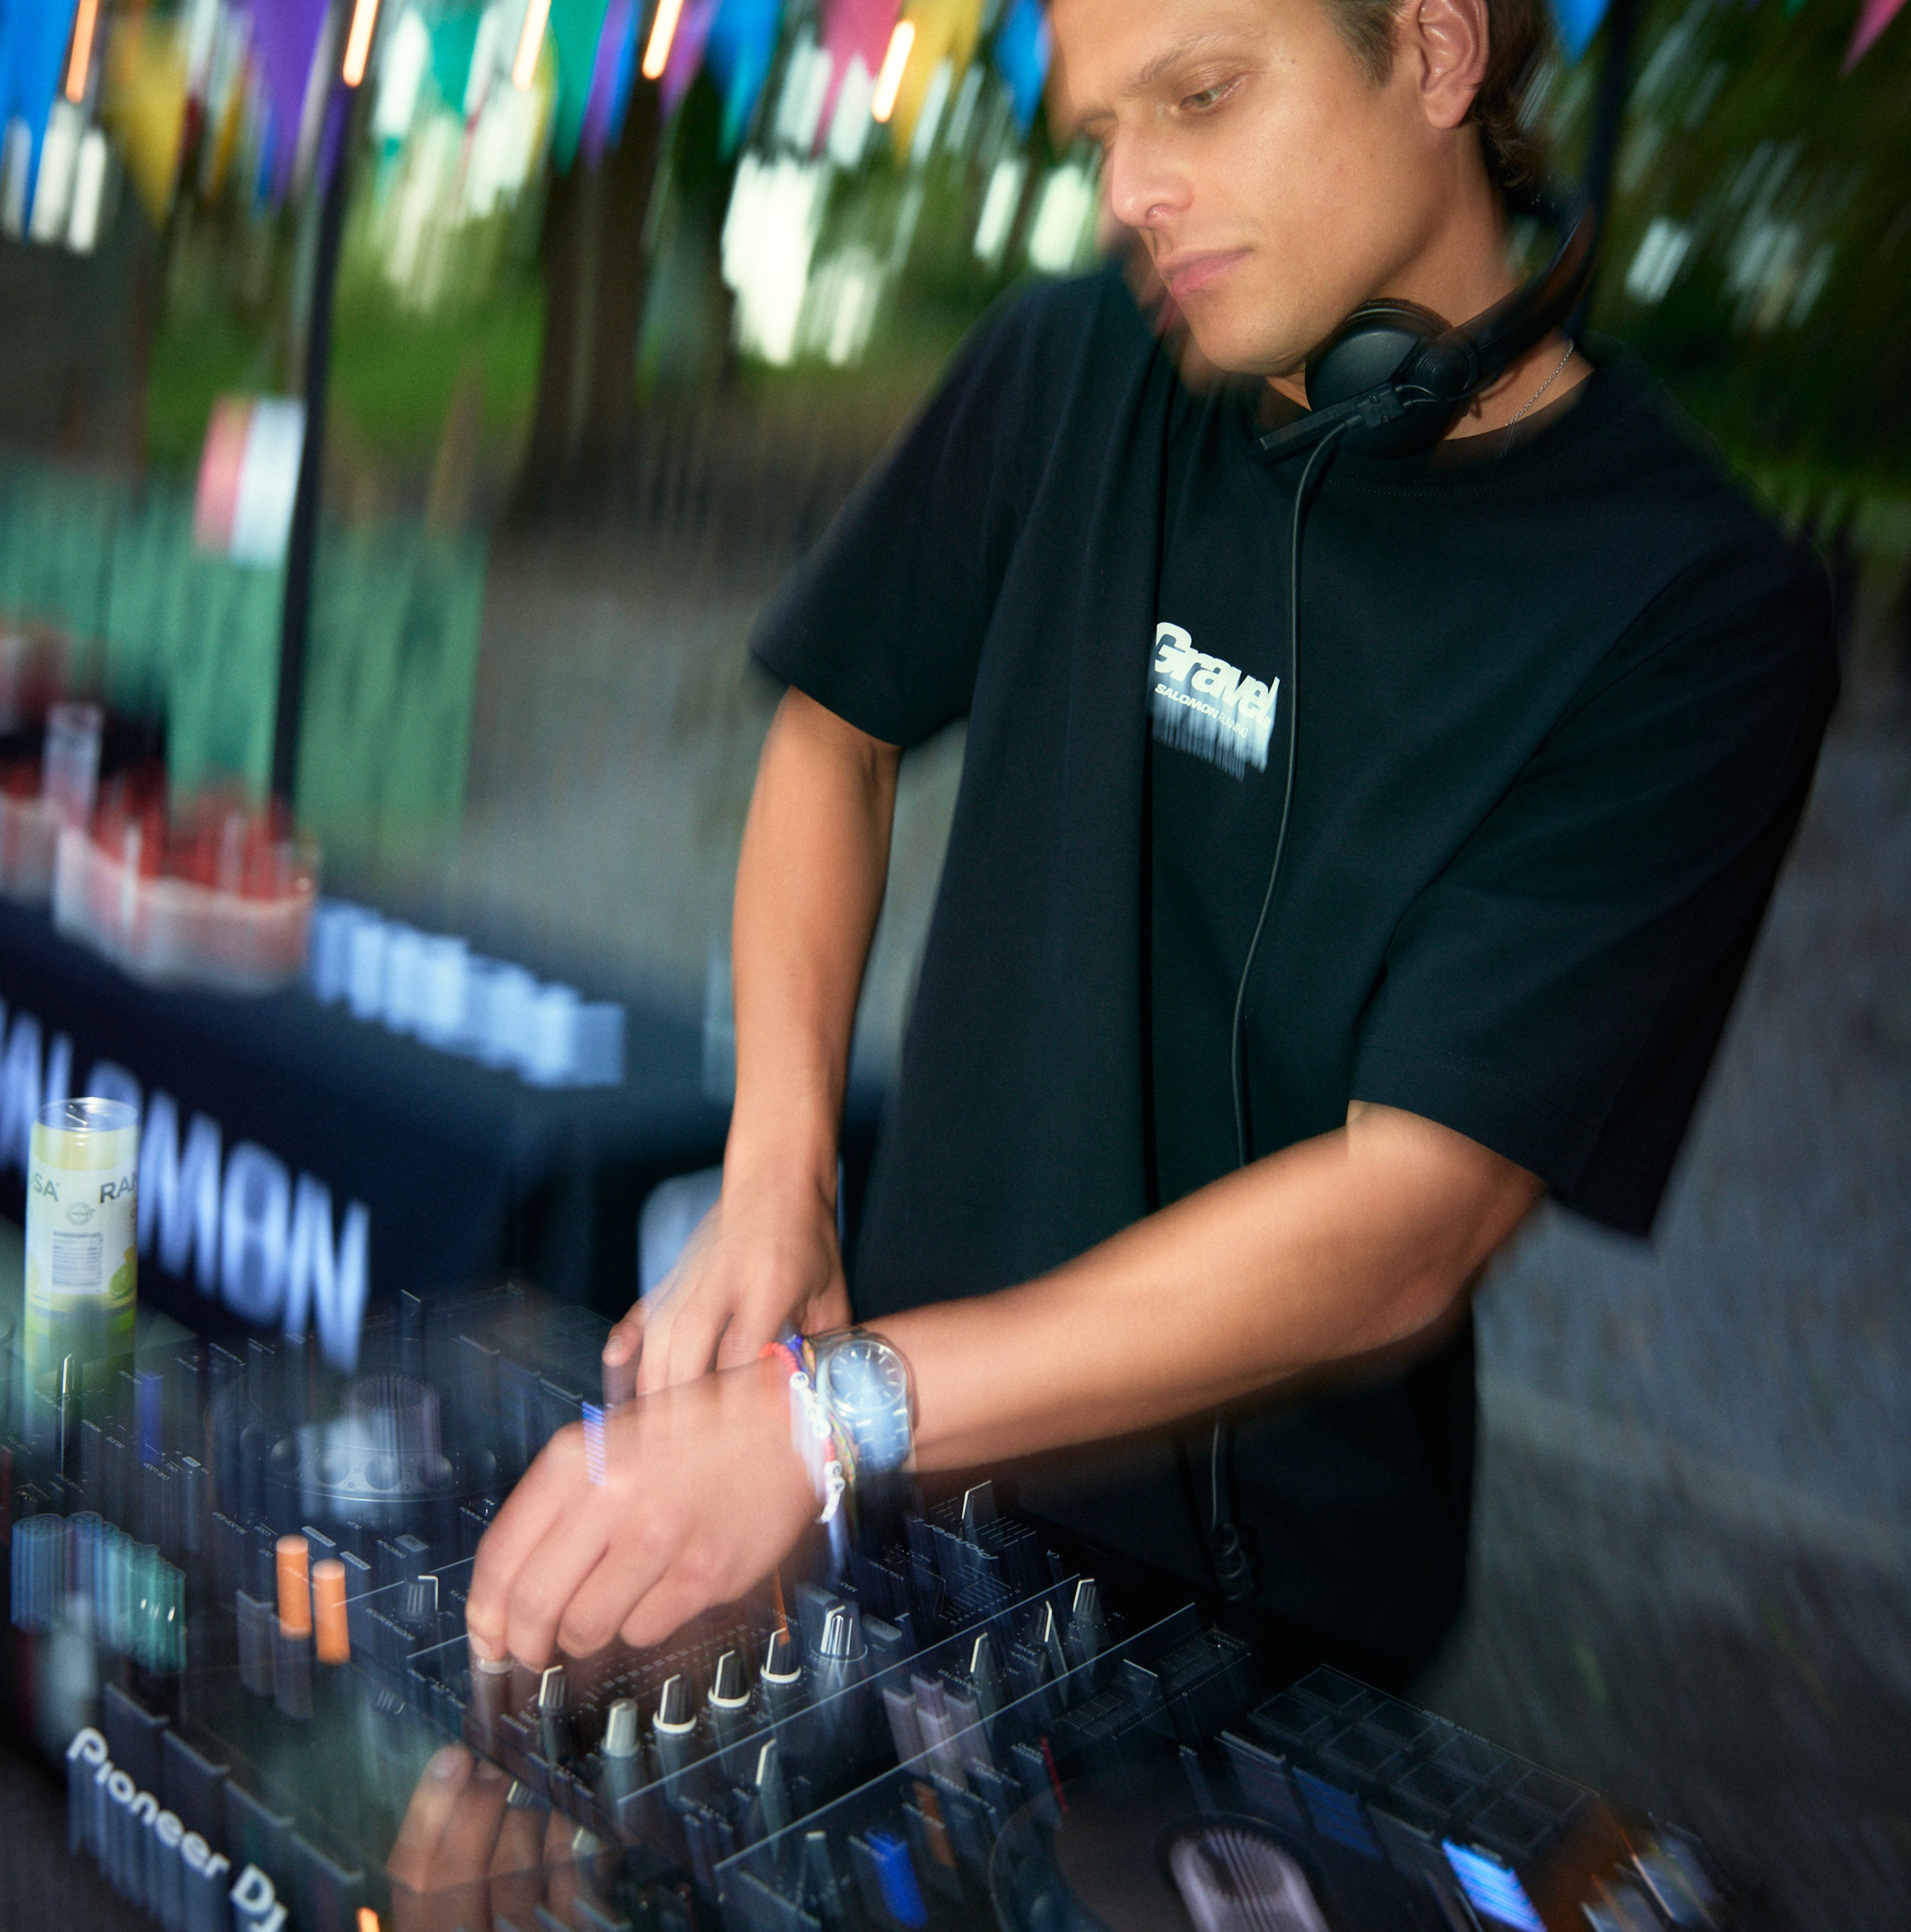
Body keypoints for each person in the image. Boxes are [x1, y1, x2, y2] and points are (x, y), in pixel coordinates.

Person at [464, 0, 1836, 1687]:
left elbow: (1416, 1220)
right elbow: (838, 728)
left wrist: (834, 1416)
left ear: (1435, 47)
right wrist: (772, 1180)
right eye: (1105, 134)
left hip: (1269, 1628)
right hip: (884, 1505)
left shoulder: (1692, 610)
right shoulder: (1064, 370)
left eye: (1199, 97)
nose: (1134, 195)